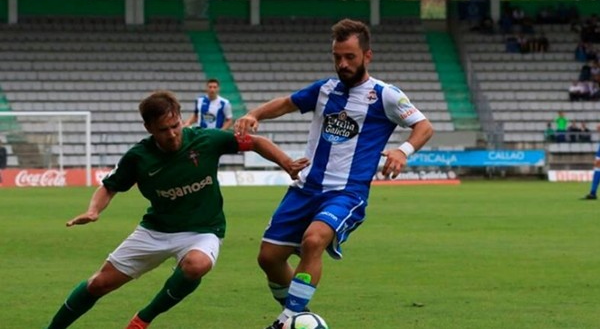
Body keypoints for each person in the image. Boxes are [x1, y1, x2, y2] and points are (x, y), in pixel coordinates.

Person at [45, 90, 309, 329]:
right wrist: (94, 211)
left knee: (197, 265)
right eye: (163, 130)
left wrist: (286, 163)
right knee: (99, 284)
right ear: (148, 127)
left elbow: (255, 142)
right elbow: (110, 186)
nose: (172, 134)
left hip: (203, 230)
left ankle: (142, 319)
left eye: (175, 126)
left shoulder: (206, 140)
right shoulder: (138, 157)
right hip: (156, 230)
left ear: (181, 119)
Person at [234, 18, 434, 329]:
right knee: (269, 258)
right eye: (337, 56)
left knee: (314, 241)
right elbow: (287, 103)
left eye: (350, 56)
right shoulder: (324, 89)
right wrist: (254, 113)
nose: (342, 63)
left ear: (367, 56)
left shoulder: (386, 95)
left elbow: (424, 126)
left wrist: (402, 151)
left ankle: (287, 320)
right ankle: (302, 314)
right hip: (305, 188)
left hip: (346, 192)